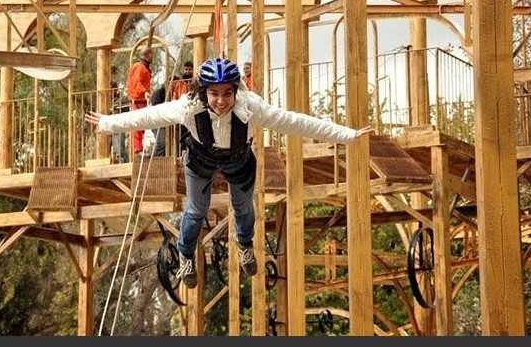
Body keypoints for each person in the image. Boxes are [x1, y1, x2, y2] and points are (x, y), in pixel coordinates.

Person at [85, 57, 372, 289]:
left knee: (244, 208)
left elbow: (295, 122)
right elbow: (148, 115)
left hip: (238, 159)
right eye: (214, 94)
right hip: (200, 160)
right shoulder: (188, 107)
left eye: (227, 94)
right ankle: (186, 255)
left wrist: (347, 135)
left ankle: (244, 245)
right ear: (203, 92)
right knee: (196, 210)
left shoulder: (251, 106)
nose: (221, 101)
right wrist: (109, 122)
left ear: (235, 91)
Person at [125, 48, 154, 156]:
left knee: (141, 124)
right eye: (151, 54)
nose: (152, 57)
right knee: (138, 124)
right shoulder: (140, 67)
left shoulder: (143, 67)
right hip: (137, 99)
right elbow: (138, 83)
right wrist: (145, 92)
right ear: (146, 55)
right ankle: (138, 149)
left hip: (141, 99)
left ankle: (140, 148)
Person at [109, 79, 129, 163]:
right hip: (108, 127)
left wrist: (115, 108)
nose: (109, 92)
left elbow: (127, 108)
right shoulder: (105, 100)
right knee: (109, 151)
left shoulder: (122, 99)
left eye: (111, 90)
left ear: (115, 89)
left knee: (119, 150)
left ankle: (123, 165)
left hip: (118, 126)